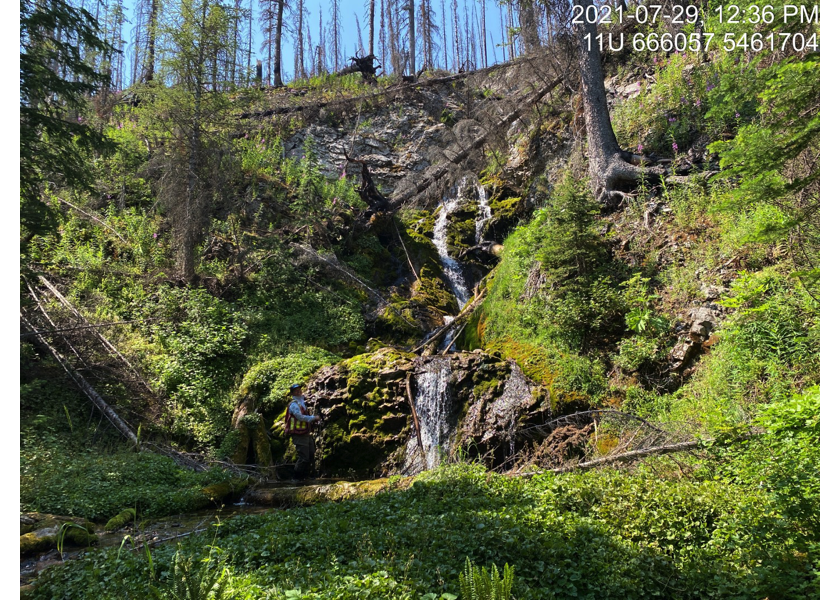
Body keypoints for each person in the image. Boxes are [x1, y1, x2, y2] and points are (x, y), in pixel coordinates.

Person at [285, 383, 321, 481]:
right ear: (292, 393)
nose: (299, 391)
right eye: (296, 391)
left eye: (299, 390)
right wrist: (314, 418)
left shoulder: (301, 402)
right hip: (298, 434)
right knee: (303, 458)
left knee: (311, 453)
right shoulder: (294, 404)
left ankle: (307, 476)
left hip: (305, 433)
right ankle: (296, 478)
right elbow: (300, 417)